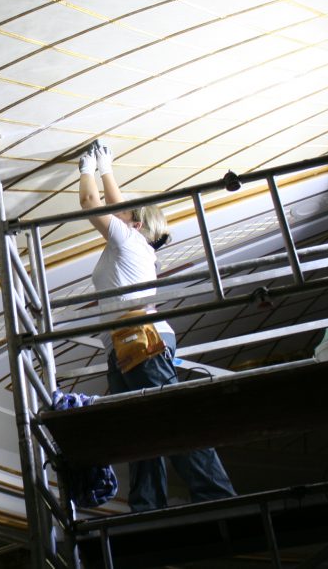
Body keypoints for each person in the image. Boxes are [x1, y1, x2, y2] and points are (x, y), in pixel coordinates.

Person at [78, 141, 236, 512]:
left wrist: (87, 168)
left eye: (125, 213)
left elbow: (90, 203)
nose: (119, 213)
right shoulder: (132, 243)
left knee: (171, 421)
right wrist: (107, 169)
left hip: (140, 338)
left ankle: (217, 497)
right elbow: (118, 206)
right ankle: (146, 506)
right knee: (140, 431)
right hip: (124, 343)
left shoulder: (130, 242)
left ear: (134, 223)